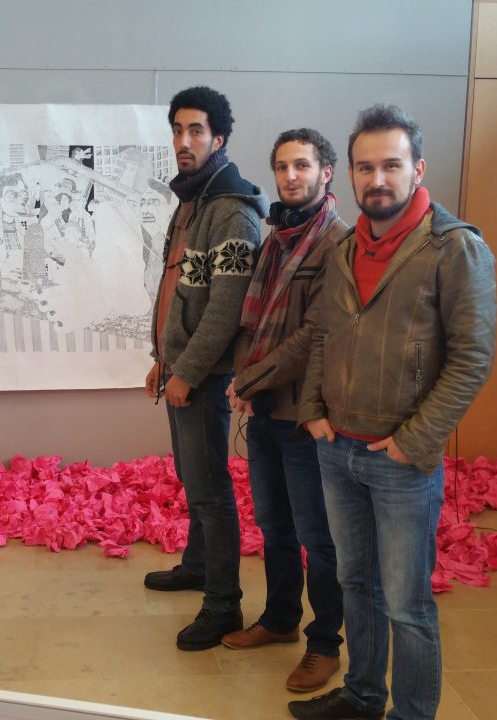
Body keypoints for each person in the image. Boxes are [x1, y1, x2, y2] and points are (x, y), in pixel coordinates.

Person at [289, 105, 496, 720]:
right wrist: (313, 409)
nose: (377, 179)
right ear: (349, 174)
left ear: (418, 169)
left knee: (407, 605)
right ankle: (362, 697)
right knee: (356, 584)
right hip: (337, 450)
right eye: (365, 167)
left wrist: (415, 440)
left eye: (391, 165)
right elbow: (324, 335)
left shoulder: (455, 248)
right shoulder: (344, 248)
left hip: (401, 461)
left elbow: (473, 358)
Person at [143, 86, 269, 650]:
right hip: (181, 368)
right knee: (194, 481)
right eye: (177, 130)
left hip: (205, 377)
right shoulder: (193, 201)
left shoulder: (232, 211)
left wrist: (188, 372)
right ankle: (197, 566)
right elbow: (179, 289)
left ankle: (223, 605)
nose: (184, 141)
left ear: (219, 138)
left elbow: (226, 308)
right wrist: (162, 360)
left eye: (196, 130)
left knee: (211, 491)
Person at [222, 129, 348, 693]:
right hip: (267, 411)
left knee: (318, 538)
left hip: (306, 416)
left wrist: (250, 379)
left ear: (326, 172)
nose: (290, 176)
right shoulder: (274, 239)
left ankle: (324, 645)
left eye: (302, 165)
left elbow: (314, 334)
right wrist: (247, 382)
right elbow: (251, 324)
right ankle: (279, 620)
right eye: (281, 166)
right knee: (274, 527)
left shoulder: (336, 243)